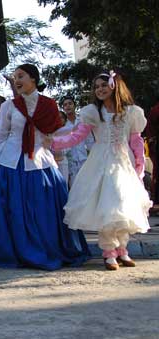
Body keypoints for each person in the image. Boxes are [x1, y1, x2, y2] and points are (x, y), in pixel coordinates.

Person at [0, 64, 90, 271]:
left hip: (40, 161)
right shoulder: (9, 105)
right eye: (15, 77)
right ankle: (14, 250)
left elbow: (54, 131)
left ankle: (47, 248)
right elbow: (2, 132)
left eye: (21, 76)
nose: (16, 80)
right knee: (11, 208)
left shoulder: (48, 104)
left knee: (43, 209)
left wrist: (52, 142)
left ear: (33, 79)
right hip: (11, 161)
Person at [48, 71, 151, 270]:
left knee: (124, 204)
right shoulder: (93, 112)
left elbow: (136, 139)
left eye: (104, 85)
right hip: (101, 162)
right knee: (108, 205)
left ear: (115, 86)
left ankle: (122, 248)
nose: (100, 89)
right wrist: (53, 143)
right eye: (96, 87)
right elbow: (77, 136)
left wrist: (139, 163)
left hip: (124, 162)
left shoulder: (131, 112)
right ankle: (109, 251)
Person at [61, 95, 93, 187]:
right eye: (65, 105)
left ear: (74, 106)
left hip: (84, 159)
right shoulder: (63, 125)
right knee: (75, 188)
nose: (68, 106)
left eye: (70, 104)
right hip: (71, 163)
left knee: (88, 186)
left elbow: (90, 140)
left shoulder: (82, 121)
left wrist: (93, 155)